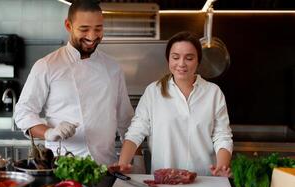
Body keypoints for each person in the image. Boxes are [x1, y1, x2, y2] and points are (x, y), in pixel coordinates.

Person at [14, 0, 134, 165]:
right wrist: (49, 132)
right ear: (68, 26)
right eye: (84, 29)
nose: (92, 37)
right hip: (62, 167)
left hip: (106, 166)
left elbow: (126, 120)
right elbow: (23, 113)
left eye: (98, 29)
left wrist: (138, 159)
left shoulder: (113, 67)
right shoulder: (47, 65)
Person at [116, 31, 233, 176]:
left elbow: (222, 136)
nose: (181, 64)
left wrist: (221, 166)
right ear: (168, 60)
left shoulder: (213, 93)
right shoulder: (154, 91)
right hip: (165, 181)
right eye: (175, 57)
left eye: (189, 58)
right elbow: (135, 132)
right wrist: (122, 163)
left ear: (198, 61)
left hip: (205, 179)